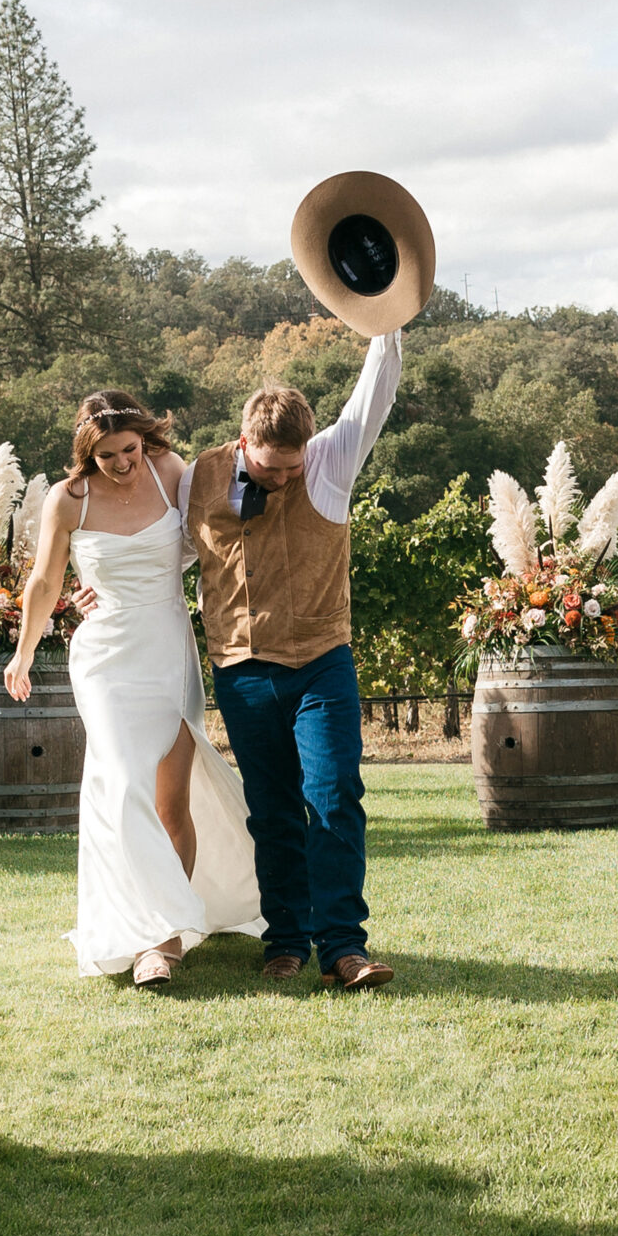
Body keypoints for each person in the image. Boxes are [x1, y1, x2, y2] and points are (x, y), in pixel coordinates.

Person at [6, 390, 262, 988]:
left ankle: (166, 939)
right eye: (106, 455)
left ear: (145, 440)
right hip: (103, 657)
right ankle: (152, 928)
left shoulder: (171, 470)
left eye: (129, 449)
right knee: (122, 788)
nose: (122, 463)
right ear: (84, 452)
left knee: (172, 802)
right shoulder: (67, 501)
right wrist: (24, 651)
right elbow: (44, 580)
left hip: (168, 645)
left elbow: (213, 542)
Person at [175, 334, 402, 989]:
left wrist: (385, 324)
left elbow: (373, 394)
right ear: (245, 442)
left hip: (321, 663)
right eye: (270, 469)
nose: (281, 478)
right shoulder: (201, 476)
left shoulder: (329, 462)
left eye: (290, 467)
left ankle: (343, 947)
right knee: (272, 811)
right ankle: (285, 939)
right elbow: (179, 554)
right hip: (242, 671)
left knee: (333, 796)